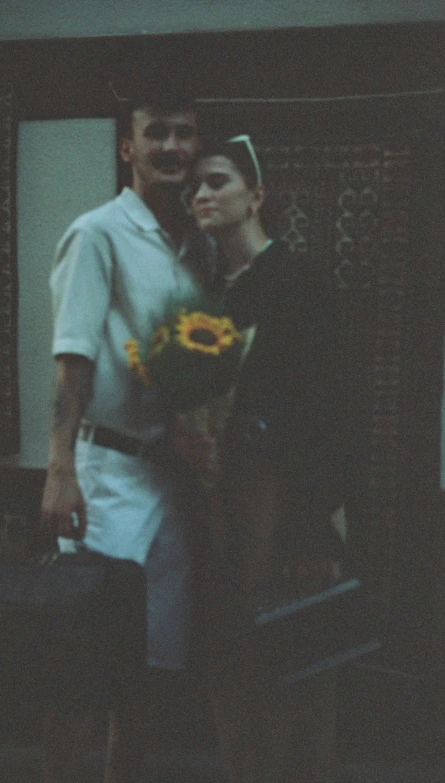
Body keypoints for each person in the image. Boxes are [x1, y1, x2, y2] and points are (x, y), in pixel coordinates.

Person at [39, 86, 211, 783]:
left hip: (170, 477)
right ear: (128, 147)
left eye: (185, 134)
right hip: (105, 476)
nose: (172, 147)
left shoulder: (198, 243)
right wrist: (58, 467)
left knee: (151, 671)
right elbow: (72, 356)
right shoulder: (97, 232)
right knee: (84, 669)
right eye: (157, 133)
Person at [186, 135, 353, 783]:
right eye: (194, 186)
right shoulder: (203, 292)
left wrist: (310, 523)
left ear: (256, 195)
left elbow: (331, 406)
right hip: (222, 506)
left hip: (288, 503)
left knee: (298, 671)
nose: (202, 194)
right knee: (233, 664)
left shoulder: (296, 280)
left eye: (218, 181)